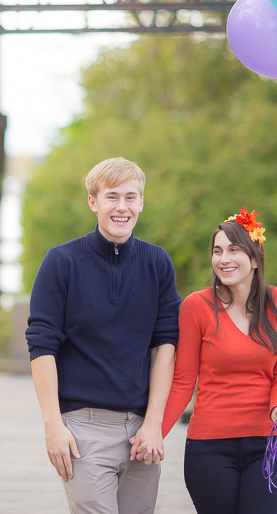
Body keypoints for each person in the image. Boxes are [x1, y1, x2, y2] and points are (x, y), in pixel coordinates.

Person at [25, 157, 182, 514]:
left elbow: (165, 344)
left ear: (141, 202)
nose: (122, 207)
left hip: (141, 431)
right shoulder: (61, 263)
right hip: (83, 430)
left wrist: (154, 424)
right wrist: (53, 426)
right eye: (112, 197)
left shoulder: (157, 263)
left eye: (131, 197)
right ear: (93, 202)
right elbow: (42, 346)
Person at [160, 209, 277, 514]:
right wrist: (154, 433)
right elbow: (184, 381)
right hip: (209, 447)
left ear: (254, 258)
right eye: (217, 250)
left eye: (234, 249)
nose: (223, 258)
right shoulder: (197, 306)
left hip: (267, 445)